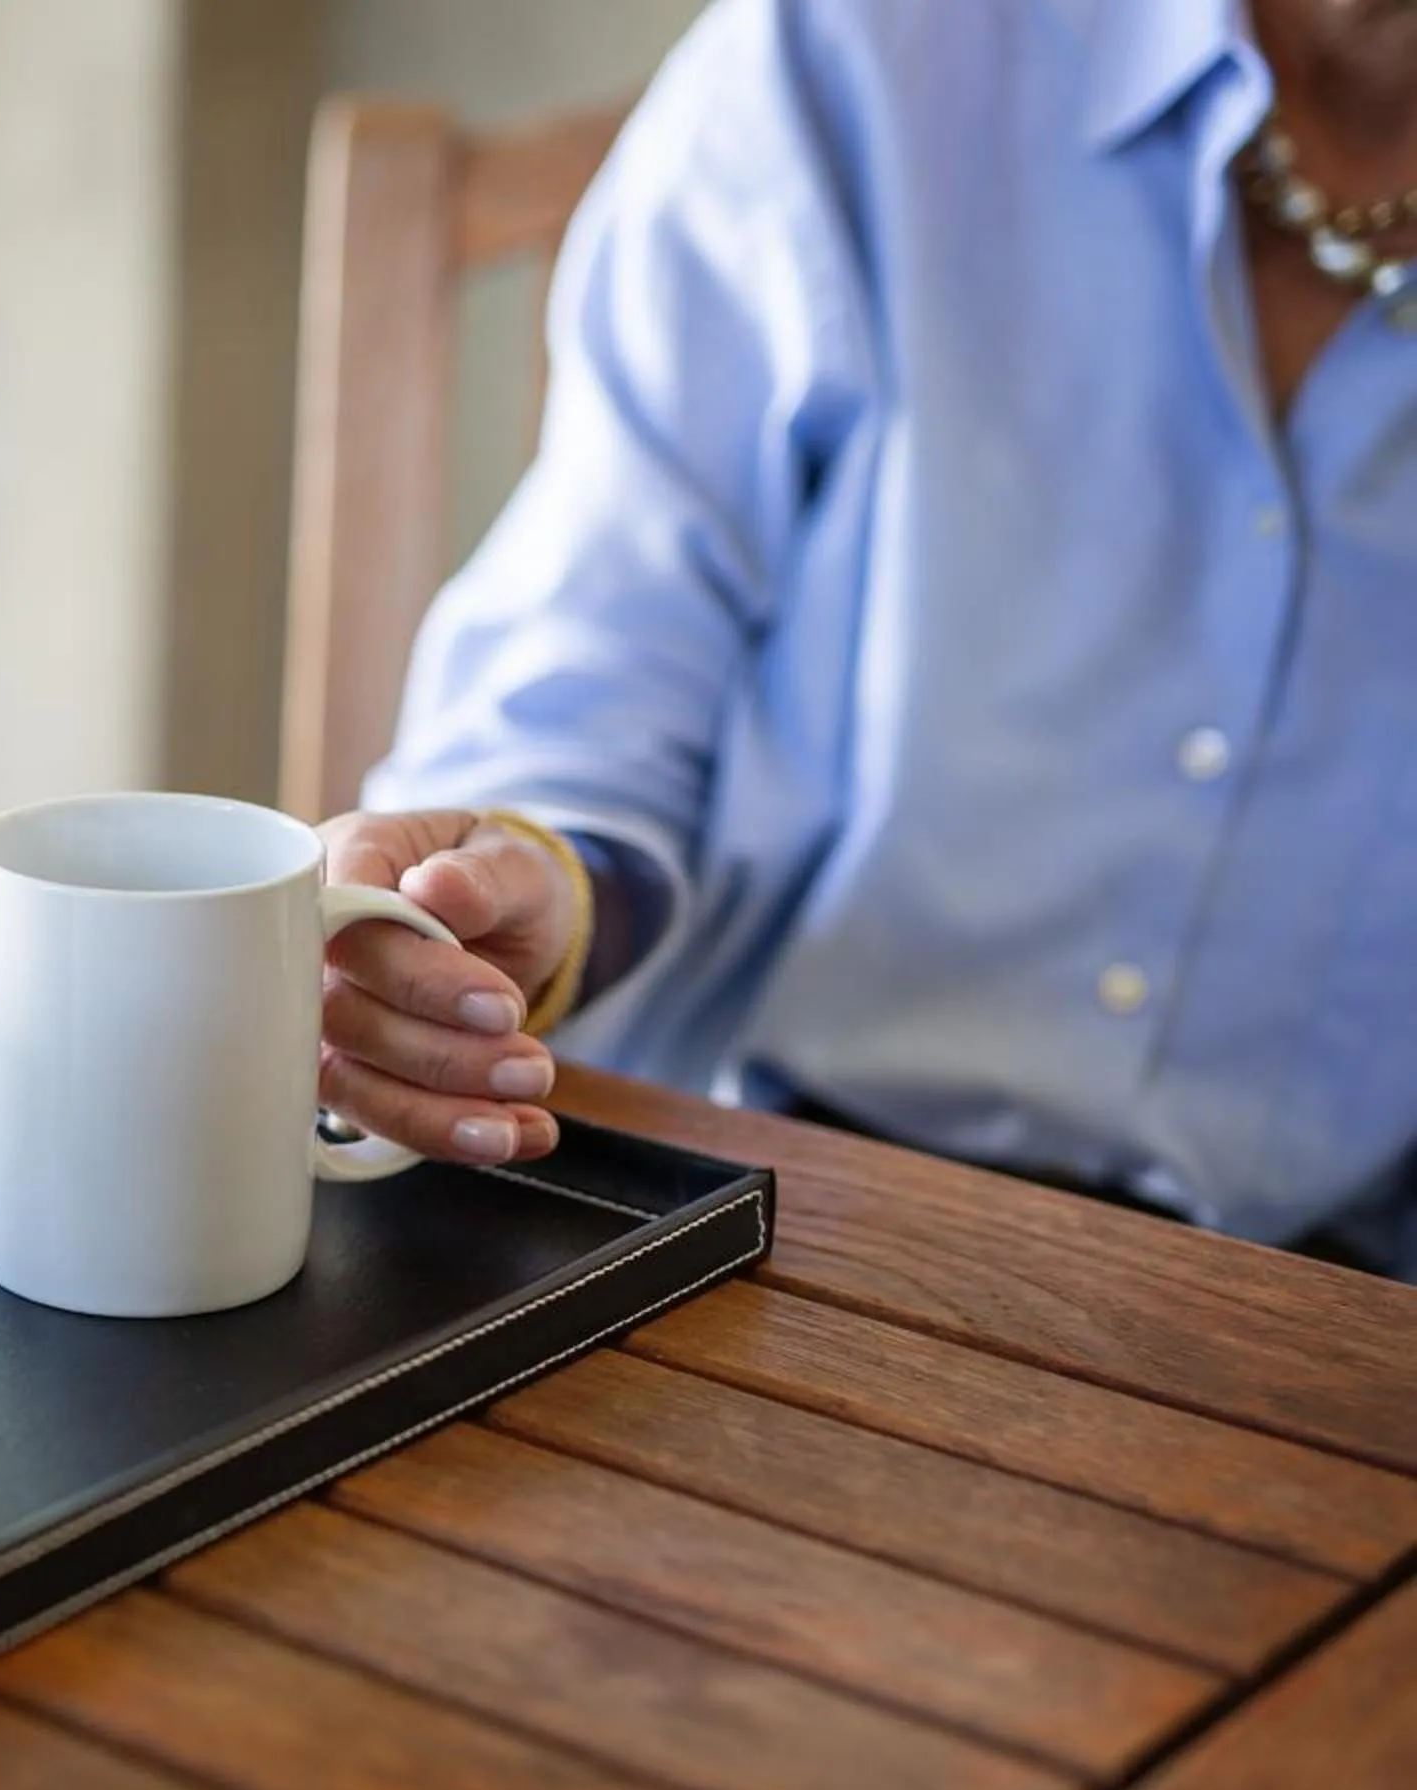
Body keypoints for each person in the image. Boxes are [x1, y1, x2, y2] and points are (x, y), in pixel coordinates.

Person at [321, 0, 1417, 1278]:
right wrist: (537, 889)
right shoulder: (855, 47)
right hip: (767, 1211)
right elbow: (604, 658)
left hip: (1329, 1307)